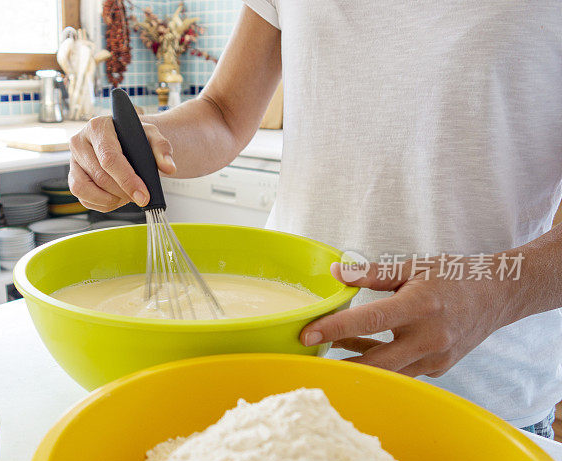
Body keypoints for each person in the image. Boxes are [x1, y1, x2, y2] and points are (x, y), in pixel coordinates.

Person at [67, 2, 562, 437]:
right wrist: (143, 146)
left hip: (478, 393)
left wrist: (495, 293)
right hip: (286, 379)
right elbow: (222, 113)